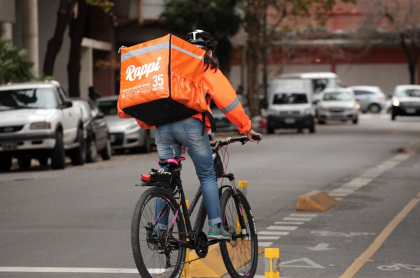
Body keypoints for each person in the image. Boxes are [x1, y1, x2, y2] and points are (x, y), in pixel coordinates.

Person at [154, 30, 261, 240]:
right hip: (190, 126)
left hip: (162, 126)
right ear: (209, 50)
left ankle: (159, 230)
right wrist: (246, 128)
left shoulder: (169, 65)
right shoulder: (206, 67)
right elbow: (228, 102)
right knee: (207, 175)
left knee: (166, 177)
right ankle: (216, 226)